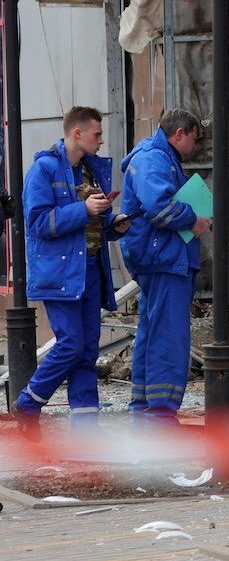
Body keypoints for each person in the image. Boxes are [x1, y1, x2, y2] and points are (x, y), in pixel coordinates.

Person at [12, 107, 133, 438]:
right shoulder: (44, 170)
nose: (101, 140)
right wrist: (84, 209)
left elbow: (93, 222)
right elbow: (37, 223)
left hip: (90, 269)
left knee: (87, 349)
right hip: (60, 274)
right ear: (76, 133)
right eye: (97, 133)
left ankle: (86, 430)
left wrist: (114, 224)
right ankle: (28, 403)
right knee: (71, 345)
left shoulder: (91, 171)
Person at [120, 109, 211, 423]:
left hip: (158, 257)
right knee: (168, 336)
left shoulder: (158, 158)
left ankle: (145, 408)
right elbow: (159, 208)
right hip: (164, 259)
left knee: (152, 331)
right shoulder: (155, 159)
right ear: (180, 133)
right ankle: (159, 413)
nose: (195, 147)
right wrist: (194, 219)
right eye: (194, 139)